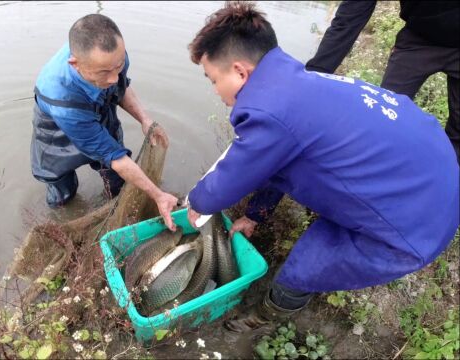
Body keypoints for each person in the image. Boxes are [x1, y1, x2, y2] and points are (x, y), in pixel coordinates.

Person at [185, 0, 459, 342]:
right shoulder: (296, 81)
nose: (215, 90)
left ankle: (265, 316)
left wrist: (195, 202)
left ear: (240, 71)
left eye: (213, 79)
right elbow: (277, 161)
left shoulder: (267, 111)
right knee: (320, 228)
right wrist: (255, 215)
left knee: (304, 267)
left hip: (415, 227)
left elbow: (220, 189)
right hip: (433, 170)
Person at [31, 14, 178, 230]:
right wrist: (158, 195)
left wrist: (145, 120)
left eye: (117, 67)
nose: (113, 79)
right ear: (75, 64)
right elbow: (115, 157)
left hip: (97, 105)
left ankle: (115, 201)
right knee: (61, 189)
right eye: (104, 72)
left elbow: (120, 89)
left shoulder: (113, 59)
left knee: (116, 177)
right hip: (57, 129)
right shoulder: (63, 100)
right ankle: (65, 216)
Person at [306, 0, 460, 163]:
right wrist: (313, 76)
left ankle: (450, 180)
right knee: (382, 119)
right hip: (418, 40)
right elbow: (350, 16)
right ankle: (370, 175)